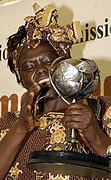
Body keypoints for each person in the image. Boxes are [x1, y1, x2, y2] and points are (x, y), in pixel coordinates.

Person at [0, 3, 111, 180]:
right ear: (21, 79)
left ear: (64, 63)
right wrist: (21, 127)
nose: (41, 69)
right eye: (29, 67)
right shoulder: (7, 124)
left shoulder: (105, 110)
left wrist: (97, 138)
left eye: (48, 60)